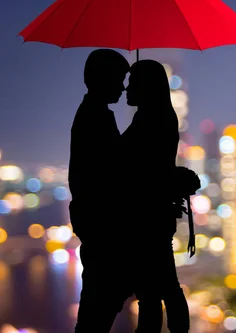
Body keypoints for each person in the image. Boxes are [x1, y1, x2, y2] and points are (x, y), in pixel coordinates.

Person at [122, 59, 190, 332]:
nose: (126, 90)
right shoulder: (158, 114)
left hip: (148, 215)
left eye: (133, 84)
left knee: (155, 289)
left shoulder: (152, 118)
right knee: (161, 285)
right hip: (156, 212)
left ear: (146, 87)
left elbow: (129, 157)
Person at [68, 49, 131, 332]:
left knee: (99, 302)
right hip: (101, 222)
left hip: (94, 221)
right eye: (119, 79)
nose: (122, 87)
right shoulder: (96, 117)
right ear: (101, 79)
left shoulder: (94, 113)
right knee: (100, 305)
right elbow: (111, 169)